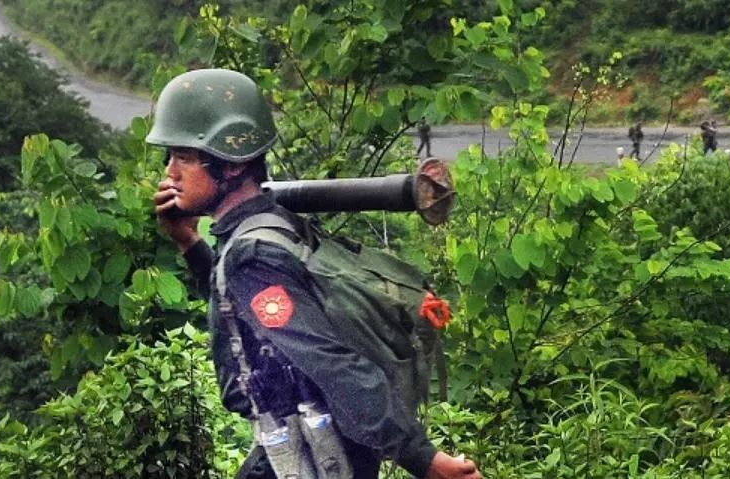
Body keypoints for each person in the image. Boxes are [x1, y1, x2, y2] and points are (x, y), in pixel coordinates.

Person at [149, 69, 481, 479]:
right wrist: (190, 245)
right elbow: (241, 324)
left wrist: (424, 460)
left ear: (231, 165)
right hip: (313, 446)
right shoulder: (271, 225)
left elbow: (332, 363)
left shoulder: (252, 253)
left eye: (183, 157)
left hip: (316, 454)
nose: (170, 173)